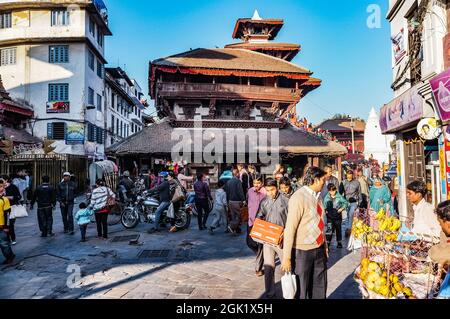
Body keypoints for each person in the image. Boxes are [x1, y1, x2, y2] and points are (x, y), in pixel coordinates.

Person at [281, 167, 328, 299]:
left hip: (319, 249)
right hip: (302, 252)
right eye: (323, 180)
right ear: (316, 179)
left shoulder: (318, 197)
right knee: (301, 290)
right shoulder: (298, 197)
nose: (325, 183)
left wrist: (325, 245)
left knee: (319, 287)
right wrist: (286, 258)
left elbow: (320, 222)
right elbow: (290, 228)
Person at [257, 178, 289, 298]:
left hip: (282, 239)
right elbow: (259, 216)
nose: (270, 193)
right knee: (268, 267)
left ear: (277, 188)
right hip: (268, 239)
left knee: (287, 266)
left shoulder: (286, 200)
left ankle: (289, 291)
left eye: (272, 190)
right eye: (268, 190)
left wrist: (286, 232)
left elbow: (291, 219)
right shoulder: (264, 201)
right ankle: (270, 292)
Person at [246, 174, 266, 277]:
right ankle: (260, 255)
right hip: (251, 221)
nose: (256, 185)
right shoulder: (250, 191)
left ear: (262, 183)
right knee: (249, 242)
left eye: (258, 183)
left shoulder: (265, 192)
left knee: (260, 246)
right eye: (254, 183)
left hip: (261, 223)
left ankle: (258, 268)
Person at [324, 184, 348, 248]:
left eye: (334, 190)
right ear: (329, 191)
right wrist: (325, 210)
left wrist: (341, 209)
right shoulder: (326, 197)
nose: (333, 192)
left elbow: (345, 203)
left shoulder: (339, 196)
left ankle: (339, 242)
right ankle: (328, 243)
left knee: (338, 229)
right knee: (329, 229)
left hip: (337, 216)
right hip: (329, 216)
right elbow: (324, 205)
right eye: (331, 191)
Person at [224, 169, 245, 234]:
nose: (239, 174)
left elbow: (227, 193)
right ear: (237, 174)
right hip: (237, 201)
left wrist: (227, 201)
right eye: (238, 173)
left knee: (233, 216)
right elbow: (240, 191)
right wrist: (243, 199)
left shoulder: (228, 182)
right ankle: (231, 226)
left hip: (230, 201)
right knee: (239, 216)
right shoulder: (238, 181)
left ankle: (237, 230)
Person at [340, 170, 361, 237]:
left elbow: (359, 193)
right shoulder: (343, 182)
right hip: (346, 202)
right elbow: (340, 193)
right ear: (346, 175)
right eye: (348, 174)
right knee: (346, 216)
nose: (349, 176)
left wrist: (359, 202)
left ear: (352, 175)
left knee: (351, 214)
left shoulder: (357, 183)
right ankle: (348, 228)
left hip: (354, 202)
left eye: (350, 174)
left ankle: (349, 229)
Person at [3, 176, 21, 244]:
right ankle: (7, 239)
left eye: (2, 180)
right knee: (4, 224)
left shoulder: (13, 187)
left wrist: (10, 197)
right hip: (3, 209)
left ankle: (13, 239)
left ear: (6, 180)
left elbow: (19, 197)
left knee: (11, 224)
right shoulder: (1, 188)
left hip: (12, 208)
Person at [0, 181, 14, 265]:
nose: (1, 189)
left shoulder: (4, 200)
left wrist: (6, 226)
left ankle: (10, 256)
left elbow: (8, 214)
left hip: (1, 226)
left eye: (2, 187)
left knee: (3, 243)